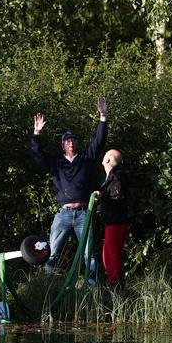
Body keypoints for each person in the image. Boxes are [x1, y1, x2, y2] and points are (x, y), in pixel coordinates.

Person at [30, 97, 108, 279]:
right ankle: (46, 286)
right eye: (67, 140)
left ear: (77, 143)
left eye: (73, 140)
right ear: (63, 145)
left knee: (89, 255)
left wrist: (103, 116)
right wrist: (36, 133)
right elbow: (37, 155)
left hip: (83, 214)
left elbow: (99, 141)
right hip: (62, 214)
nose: (71, 142)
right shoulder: (56, 162)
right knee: (52, 253)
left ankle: (92, 288)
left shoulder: (86, 159)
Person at [96, 149, 128, 286]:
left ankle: (116, 285)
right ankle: (114, 281)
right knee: (108, 254)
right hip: (112, 222)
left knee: (112, 255)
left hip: (116, 222)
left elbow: (117, 197)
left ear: (108, 160)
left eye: (104, 156)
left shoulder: (116, 177)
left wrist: (102, 197)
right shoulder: (112, 176)